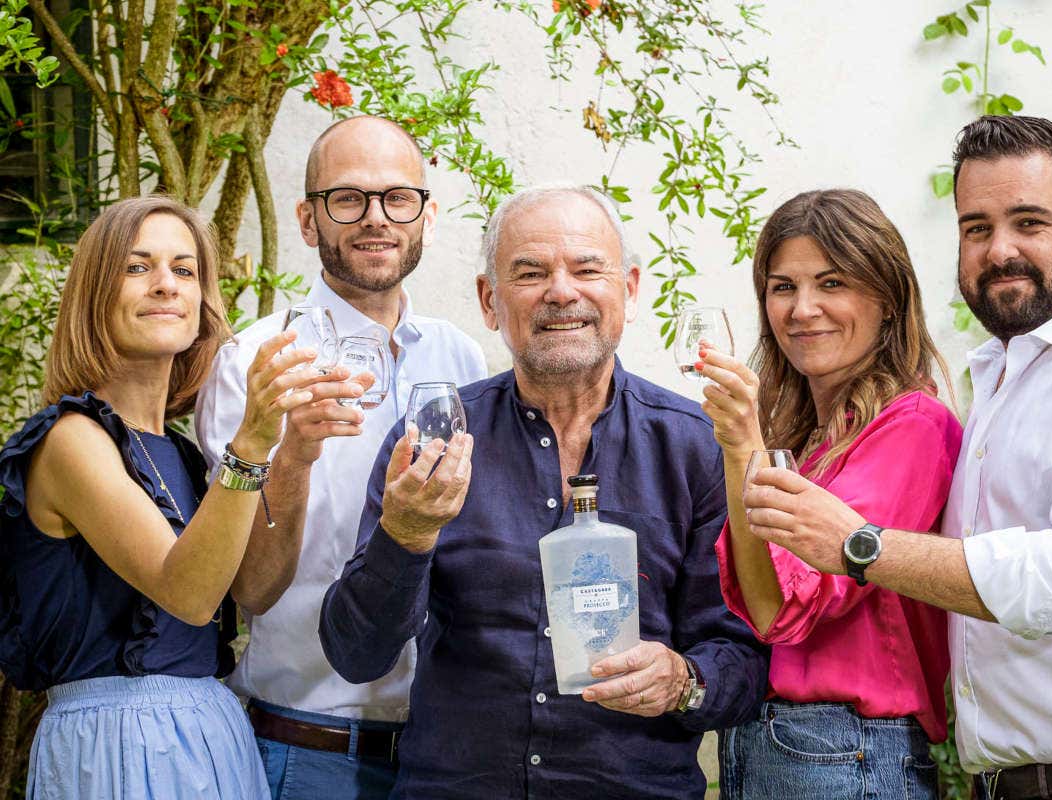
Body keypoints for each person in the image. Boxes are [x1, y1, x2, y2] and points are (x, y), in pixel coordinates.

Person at [742, 116, 1052, 800]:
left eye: (1029, 222)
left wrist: (861, 547)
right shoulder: (1001, 377)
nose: (999, 250)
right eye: (976, 227)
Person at [318, 184, 768, 799]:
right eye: (529, 273)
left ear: (630, 290)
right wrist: (407, 534)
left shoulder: (695, 449)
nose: (562, 291)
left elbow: (744, 654)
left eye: (587, 269)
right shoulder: (435, 440)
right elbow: (356, 655)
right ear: (489, 300)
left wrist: (685, 680)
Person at [195, 116, 486, 800]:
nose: (375, 218)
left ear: (428, 215)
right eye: (347, 199)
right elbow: (248, 590)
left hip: (446, 753)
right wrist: (294, 455)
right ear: (306, 219)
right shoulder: (254, 364)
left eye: (397, 198)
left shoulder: (461, 359)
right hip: (304, 751)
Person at [0, 195, 329, 798]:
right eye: (136, 267)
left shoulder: (178, 452)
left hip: (211, 733)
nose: (164, 285)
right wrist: (253, 441)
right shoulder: (72, 441)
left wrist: (296, 457)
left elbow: (254, 589)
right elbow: (190, 594)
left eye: (184, 270)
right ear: (94, 294)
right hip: (116, 745)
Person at [695, 189, 962, 799]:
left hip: (846, 751)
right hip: (775, 745)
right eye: (783, 286)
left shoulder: (911, 424)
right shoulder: (806, 436)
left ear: (887, 300)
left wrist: (742, 446)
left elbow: (780, 610)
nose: (803, 308)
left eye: (832, 282)